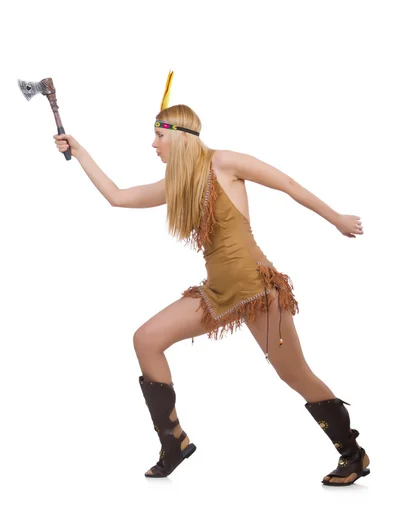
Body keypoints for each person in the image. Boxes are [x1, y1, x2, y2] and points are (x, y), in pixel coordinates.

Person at [53, 71, 369, 486]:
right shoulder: (177, 183)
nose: (152, 145)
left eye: (157, 137)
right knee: (146, 340)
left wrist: (337, 219)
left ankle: (353, 453)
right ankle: (174, 442)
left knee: (294, 374)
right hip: (219, 293)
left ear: (179, 135)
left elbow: (289, 185)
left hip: (259, 291)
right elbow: (118, 197)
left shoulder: (224, 162)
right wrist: (79, 151)